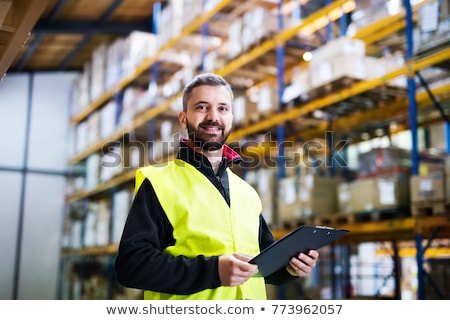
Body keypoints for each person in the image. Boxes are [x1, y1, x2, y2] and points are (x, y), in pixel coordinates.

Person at [114, 72, 319, 300]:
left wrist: (291, 267)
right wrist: (213, 271)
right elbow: (131, 266)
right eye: (202, 107)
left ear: (231, 117)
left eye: (222, 108)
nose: (213, 117)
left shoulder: (246, 193)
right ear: (183, 119)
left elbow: (262, 266)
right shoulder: (159, 183)